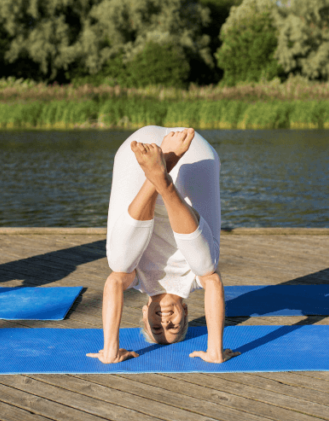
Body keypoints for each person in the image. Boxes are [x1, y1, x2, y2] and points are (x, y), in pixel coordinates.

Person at [87, 126, 237, 364]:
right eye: (173, 327)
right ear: (186, 313)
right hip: (196, 154)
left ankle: (157, 176)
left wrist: (110, 350)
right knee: (208, 267)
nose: (164, 322)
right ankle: (162, 177)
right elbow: (214, 284)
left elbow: (113, 284)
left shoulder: (137, 280)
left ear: (144, 315)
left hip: (135, 152)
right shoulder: (194, 281)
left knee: (118, 264)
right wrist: (215, 351)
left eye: (157, 329)